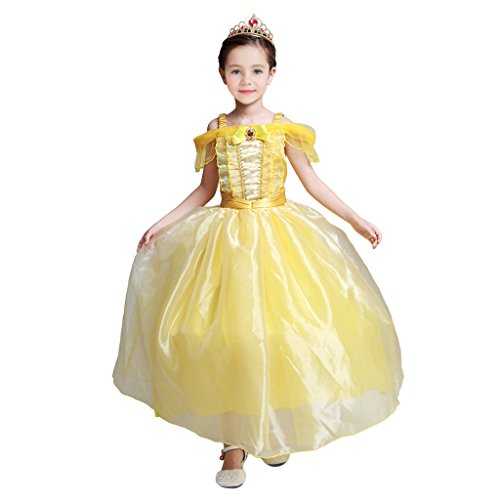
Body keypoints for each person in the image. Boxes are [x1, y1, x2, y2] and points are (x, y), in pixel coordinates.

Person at [112, 13, 404, 489]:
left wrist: (354, 219)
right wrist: (162, 224)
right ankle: (234, 441)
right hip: (226, 243)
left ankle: (271, 426)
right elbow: (205, 190)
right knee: (232, 338)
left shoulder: (284, 129)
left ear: (272, 74)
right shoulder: (217, 128)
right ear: (222, 75)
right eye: (236, 71)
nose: (246, 80)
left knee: (281, 333)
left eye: (256, 70)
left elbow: (313, 183)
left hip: (279, 238)